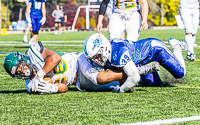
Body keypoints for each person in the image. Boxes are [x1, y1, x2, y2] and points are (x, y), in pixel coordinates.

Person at [3, 42, 159, 94]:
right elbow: (64, 88)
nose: (22, 70)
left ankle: (139, 70)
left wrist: (40, 74)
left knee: (101, 78)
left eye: (21, 66)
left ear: (24, 60)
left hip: (78, 61)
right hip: (79, 83)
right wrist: (53, 89)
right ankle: (143, 74)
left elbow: (55, 58)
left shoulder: (35, 55)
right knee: (116, 85)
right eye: (18, 72)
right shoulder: (32, 87)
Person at [83, 33, 186, 93]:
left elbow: (134, 78)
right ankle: (151, 68)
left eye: (97, 56)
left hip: (155, 49)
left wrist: (121, 90)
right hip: (140, 61)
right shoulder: (109, 53)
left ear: (104, 49)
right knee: (154, 83)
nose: (96, 60)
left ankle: (176, 46)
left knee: (180, 73)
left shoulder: (117, 53)